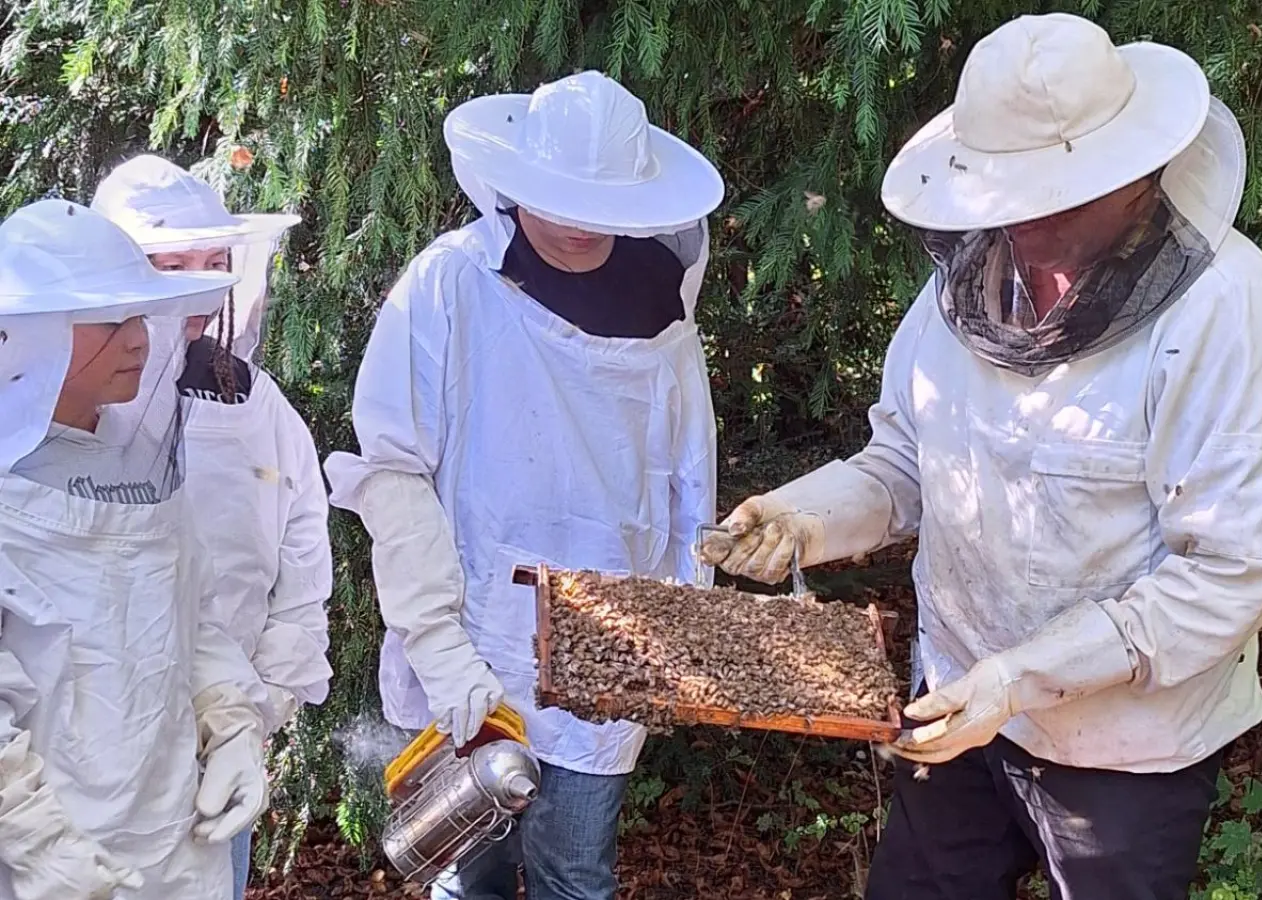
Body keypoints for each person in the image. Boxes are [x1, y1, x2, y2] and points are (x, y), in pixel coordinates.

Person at [700, 14, 1262, 900]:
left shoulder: (1229, 318)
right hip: (957, 704)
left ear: (1138, 171)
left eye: (1059, 194)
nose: (1027, 220)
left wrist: (1021, 678)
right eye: (1010, 193)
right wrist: (805, 516)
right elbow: (905, 462)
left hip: (1125, 750)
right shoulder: (962, 291)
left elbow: (1233, 571)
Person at [324, 70, 724, 899]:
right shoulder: (450, 282)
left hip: (609, 642)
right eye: (560, 199)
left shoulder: (663, 308)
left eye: (598, 204)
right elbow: (393, 472)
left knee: (574, 876)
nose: (577, 223)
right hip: (475, 635)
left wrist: (681, 627)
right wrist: (438, 644)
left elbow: (690, 481)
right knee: (465, 875)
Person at [0, 199, 271, 900]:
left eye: (140, 317)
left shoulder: (137, 458)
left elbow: (191, 617)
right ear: (25, 336)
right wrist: (35, 842)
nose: (138, 342)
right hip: (50, 858)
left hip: (179, 838)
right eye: (108, 321)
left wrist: (231, 718)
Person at [91, 154, 334, 900]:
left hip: (221, 738)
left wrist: (255, 709)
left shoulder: (255, 400)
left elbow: (301, 554)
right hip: (88, 751)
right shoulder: (61, 404)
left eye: (210, 262)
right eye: (171, 264)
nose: (197, 285)